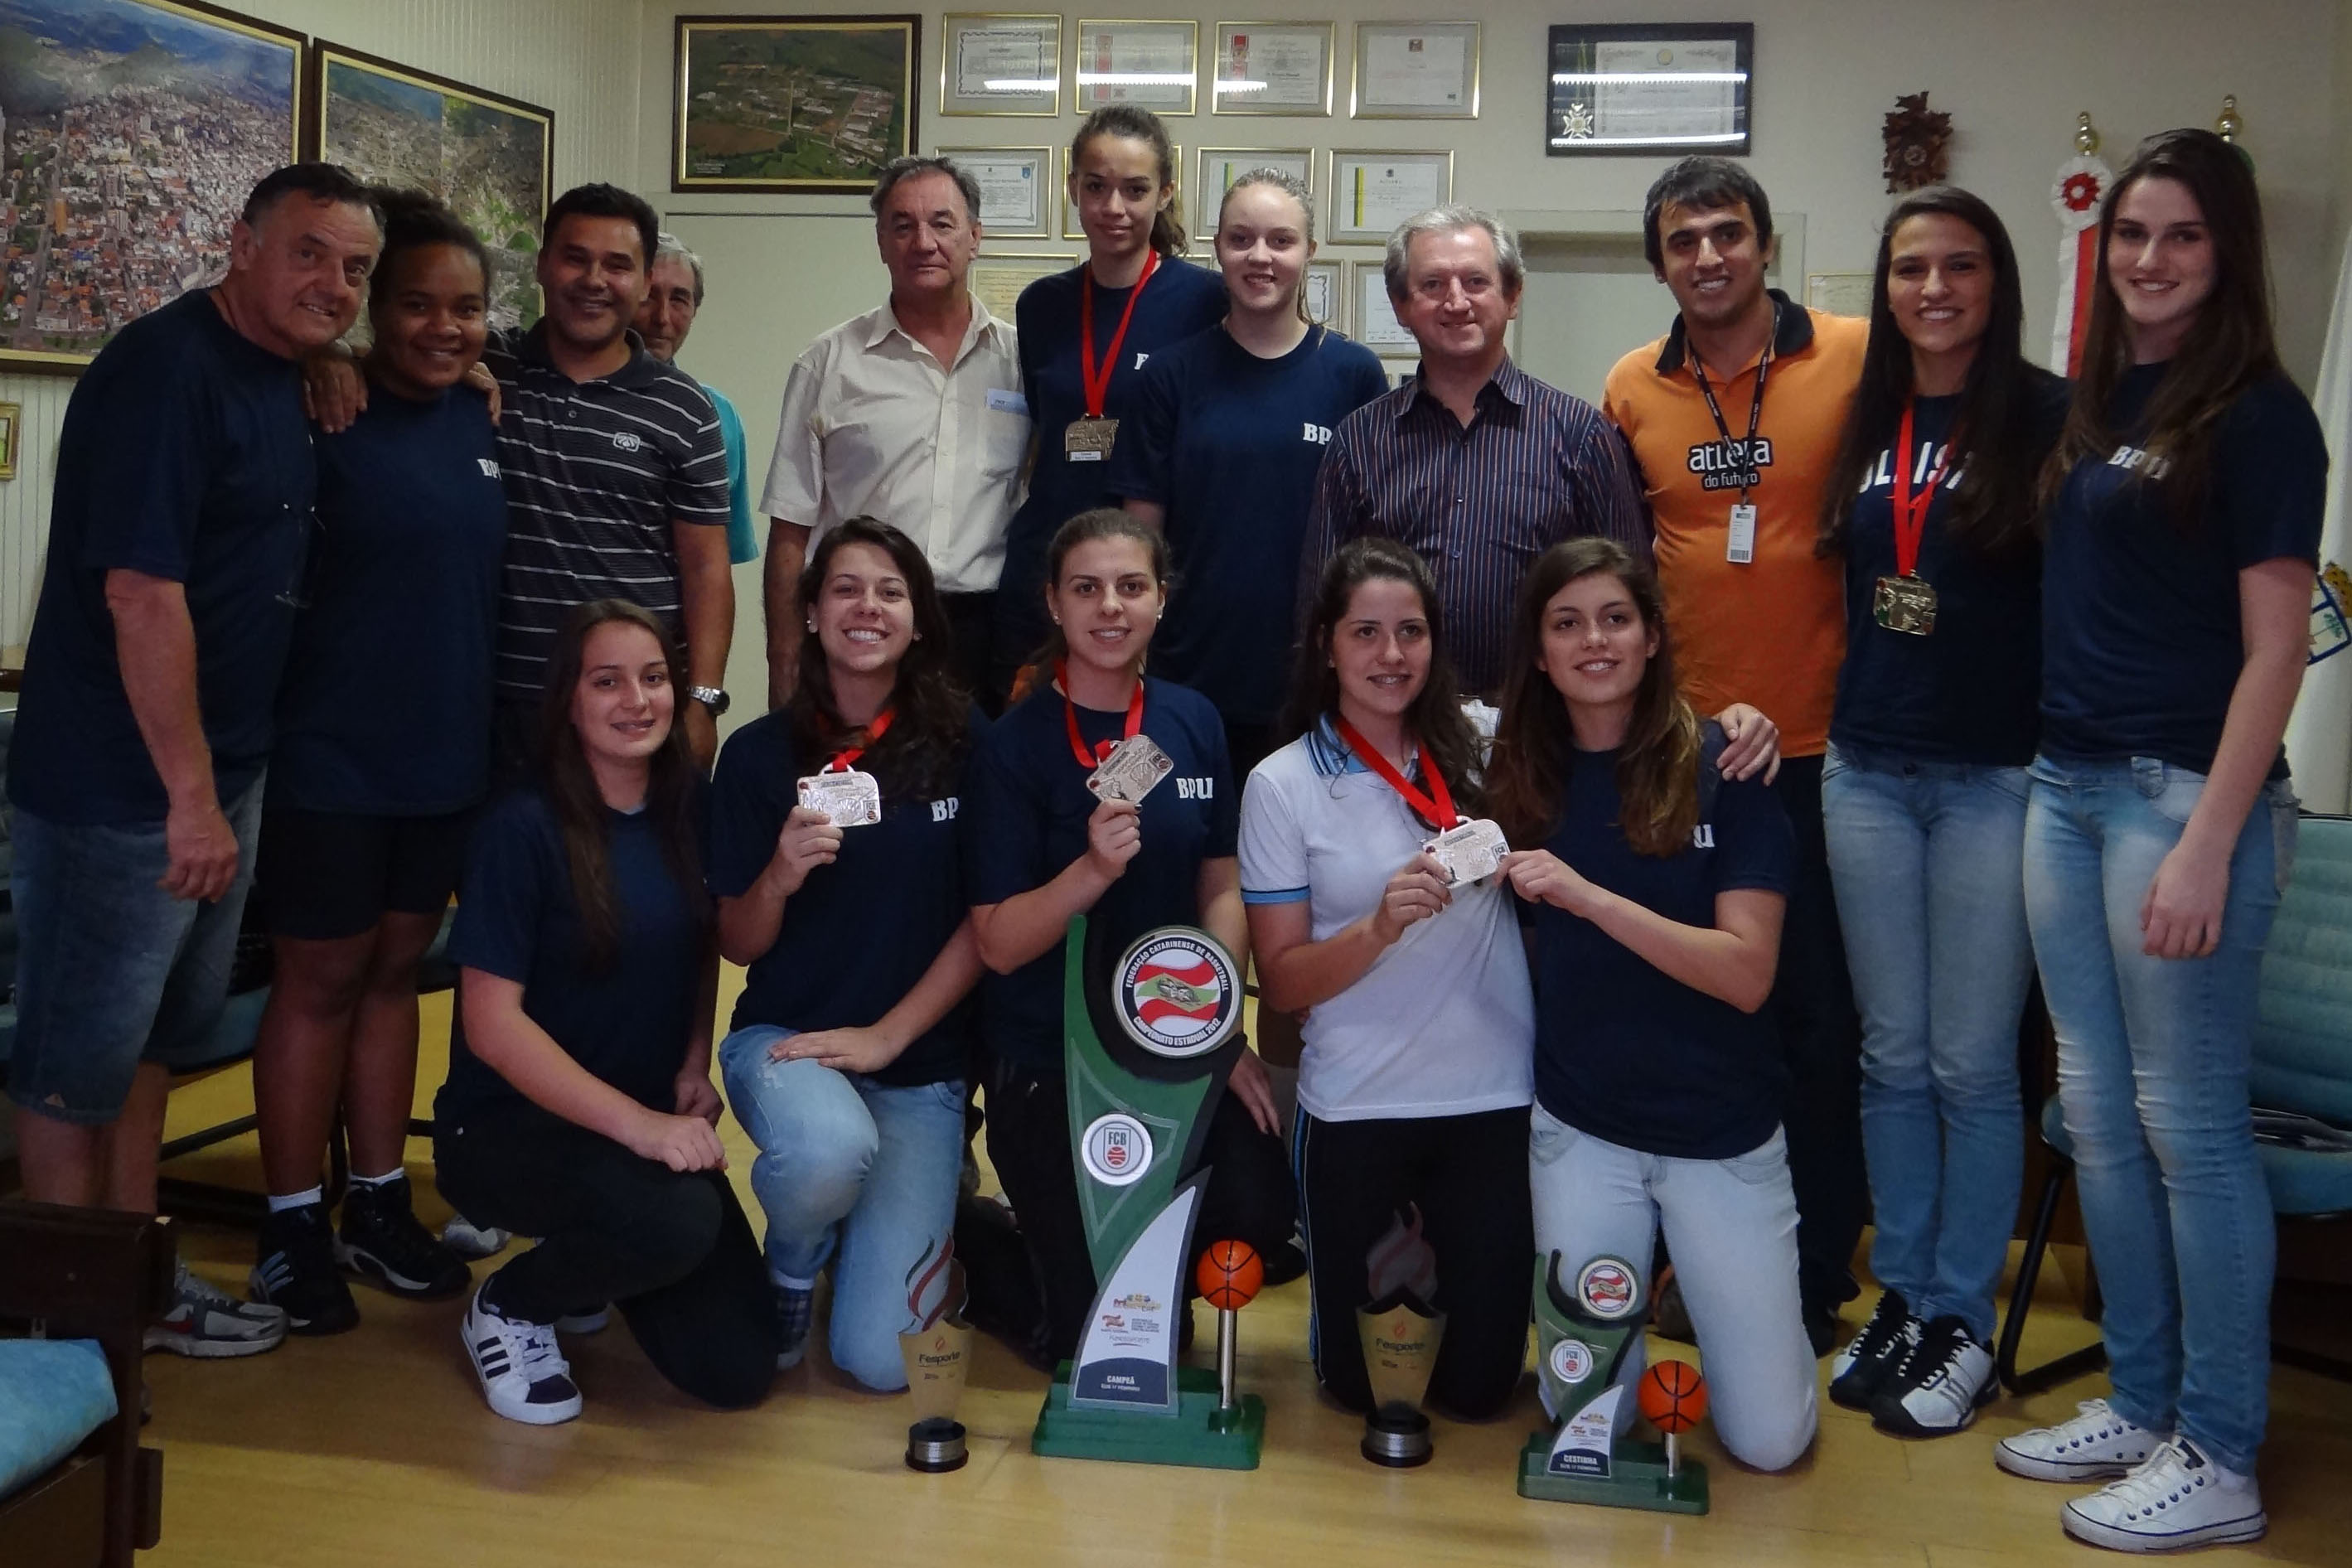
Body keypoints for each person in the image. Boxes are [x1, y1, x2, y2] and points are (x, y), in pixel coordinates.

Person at [1997, 129, 2324, 1554]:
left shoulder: (2258, 417)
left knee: (2187, 1128)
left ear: (2225, 250)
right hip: (2063, 788)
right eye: (2131, 233)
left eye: (2180, 235)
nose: (2148, 259)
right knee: (2097, 1117)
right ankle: (2139, 1400)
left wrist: (2207, 840)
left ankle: (2220, 1450)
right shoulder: (2100, 397)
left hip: (2175, 801)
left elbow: (2275, 652)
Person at [6, 162, 383, 1356]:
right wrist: (188, 797)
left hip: (220, 776)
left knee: (150, 1051)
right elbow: (140, 593)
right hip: (121, 790)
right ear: (240, 243)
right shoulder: (163, 372)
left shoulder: (279, 369)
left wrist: (347, 354)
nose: (334, 284)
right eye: (310, 253)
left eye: (355, 270)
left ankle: (139, 1284)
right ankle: (68, 1336)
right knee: (71, 1070)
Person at [1601, 157, 1871, 1350]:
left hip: (1827, 750)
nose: (1706, 257)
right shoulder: (1631, 386)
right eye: (1682, 240)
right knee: (1696, 1011)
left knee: (1817, 1018)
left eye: (1726, 233)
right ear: (1658, 263)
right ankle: (1686, 1257)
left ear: (1765, 244)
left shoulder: (1855, 356)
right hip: (1688, 755)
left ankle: (1813, 1272)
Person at [1812, 187, 2069, 1435]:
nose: (1933, 289)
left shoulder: (2047, 417)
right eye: (1911, 268)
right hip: (1866, 766)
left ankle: (1962, 1313)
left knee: (1970, 1061)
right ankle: (1903, 1294)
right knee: (1891, 1056)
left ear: (1995, 281)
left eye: (1959, 266)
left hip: (1990, 777)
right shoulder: (1869, 418)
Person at [1487, 538, 1815, 1474]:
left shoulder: (1728, 764)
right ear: (1540, 652)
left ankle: (1744, 1318)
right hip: (1583, 1130)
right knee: (1586, 1416)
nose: (1594, 640)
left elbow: (1747, 973)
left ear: (1654, 636)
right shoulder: (1519, 777)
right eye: (1567, 623)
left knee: (1769, 1443)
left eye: (1615, 619)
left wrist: (1588, 897)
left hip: (1721, 1135)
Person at [247, 190, 505, 1333]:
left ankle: (378, 1200)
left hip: (444, 760)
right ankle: (290, 1226)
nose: (444, 327)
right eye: (416, 305)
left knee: (398, 977)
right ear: (372, 311)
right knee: (319, 984)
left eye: (467, 308)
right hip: (330, 761)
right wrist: (328, 361)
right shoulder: (324, 413)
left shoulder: (483, 417)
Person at [964, 509, 1295, 1361]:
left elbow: (1221, 881)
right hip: (1051, 1056)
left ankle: (1136, 1260)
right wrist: (1090, 871)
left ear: (1160, 599)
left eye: (1130, 586)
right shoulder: (1012, 746)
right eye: (1087, 588)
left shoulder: (1193, 719)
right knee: (1092, 1345)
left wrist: (1217, 1025)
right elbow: (997, 943)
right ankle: (976, 1242)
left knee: (1260, 1210)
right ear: (1053, 602)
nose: (1110, 606)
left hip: (1170, 1044)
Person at [436, 601, 777, 1425]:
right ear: (568, 700)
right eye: (607, 681)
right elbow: (491, 1024)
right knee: (677, 1220)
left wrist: (692, 1062)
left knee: (736, 1368)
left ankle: (590, 1263)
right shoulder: (520, 826)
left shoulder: (687, 807)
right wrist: (643, 1128)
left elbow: (699, 944)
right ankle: (512, 1304)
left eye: (654, 678)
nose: (637, 700)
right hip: (508, 1129)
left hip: (633, 1122)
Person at [1240, 539, 1533, 1419]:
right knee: (1359, 1389)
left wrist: (1735, 719)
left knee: (1480, 1390)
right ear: (1326, 645)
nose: (1392, 654)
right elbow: (1283, 984)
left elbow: (1619, 713)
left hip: (1493, 1099)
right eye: (1365, 632)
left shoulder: (1490, 744)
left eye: (1411, 631)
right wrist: (1376, 927)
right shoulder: (1282, 783)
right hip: (1357, 1106)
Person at [307, 183, 736, 771]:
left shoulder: (687, 408)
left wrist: (703, 702)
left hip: (634, 715)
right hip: (500, 716)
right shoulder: (486, 369)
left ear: (642, 282)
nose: (594, 280)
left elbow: (707, 568)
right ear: (542, 266)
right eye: (575, 258)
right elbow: (400, 356)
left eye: (617, 265)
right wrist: (328, 355)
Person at [709, 519, 984, 1389]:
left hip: (917, 1065)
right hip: (788, 1041)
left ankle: (878, 1233)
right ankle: (794, 1263)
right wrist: (778, 877)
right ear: (812, 612)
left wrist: (887, 1038)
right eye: (846, 589)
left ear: (919, 618)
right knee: (827, 1150)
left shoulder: (965, 742)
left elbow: (985, 925)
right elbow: (736, 940)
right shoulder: (758, 755)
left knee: (880, 1362)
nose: (868, 607)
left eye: (890, 592)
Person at [1299, 206, 1648, 699]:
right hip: (1396, 720)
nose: (1456, 301)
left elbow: (1632, 593)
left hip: (1542, 723)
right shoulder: (1359, 442)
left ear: (1513, 296)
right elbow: (1321, 603)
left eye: (1476, 282)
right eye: (1433, 284)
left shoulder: (1580, 435)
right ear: (1400, 306)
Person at [1110, 168, 1389, 778]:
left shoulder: (1353, 374)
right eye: (1241, 239)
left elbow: (1374, 544)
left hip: (1319, 679)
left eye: (1281, 241)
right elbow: (1139, 542)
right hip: (1190, 671)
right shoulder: (1170, 377)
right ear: (1218, 248)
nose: (1260, 256)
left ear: (1309, 251)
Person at [762, 157, 1027, 710]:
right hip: (861, 625)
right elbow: (790, 529)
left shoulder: (1022, 363)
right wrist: (784, 660)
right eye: (903, 226)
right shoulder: (828, 363)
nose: (923, 242)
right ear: (881, 242)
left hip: (984, 635)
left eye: (942, 223)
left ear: (975, 237)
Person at [990, 107, 1227, 701]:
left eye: (1135, 189)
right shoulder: (1041, 306)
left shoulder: (1208, 303)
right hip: (1046, 569)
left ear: (1165, 193)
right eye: (1096, 187)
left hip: (1144, 581)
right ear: (1073, 187)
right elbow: (1044, 430)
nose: (1113, 207)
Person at [637, 232, 762, 567]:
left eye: (679, 299)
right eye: (648, 297)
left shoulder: (718, 415)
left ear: (695, 310)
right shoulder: (585, 399)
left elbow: (719, 560)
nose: (662, 318)